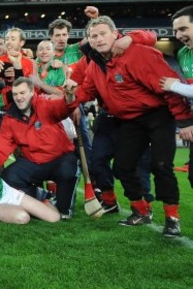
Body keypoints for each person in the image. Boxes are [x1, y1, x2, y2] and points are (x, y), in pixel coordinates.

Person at [64, 15, 193, 237]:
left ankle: (172, 218)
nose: (98, 39)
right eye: (93, 36)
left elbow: (168, 87)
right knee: (122, 166)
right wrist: (69, 95)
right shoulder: (94, 65)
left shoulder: (140, 54)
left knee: (161, 165)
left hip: (158, 116)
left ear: (116, 34)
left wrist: (184, 121)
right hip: (131, 120)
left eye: (103, 33)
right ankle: (141, 210)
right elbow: (87, 91)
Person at [0, 78, 77, 218]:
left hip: (59, 158)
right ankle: (42, 196)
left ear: (32, 92)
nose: (19, 97)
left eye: (22, 93)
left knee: (63, 209)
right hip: (33, 161)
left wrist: (69, 96)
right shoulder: (10, 118)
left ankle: (64, 205)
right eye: (15, 94)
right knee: (9, 177)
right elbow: (1, 146)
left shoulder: (45, 104)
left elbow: (63, 108)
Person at [169, 5, 193, 185]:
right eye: (176, 31)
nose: (178, 35)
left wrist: (174, 86)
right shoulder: (183, 53)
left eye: (183, 29)